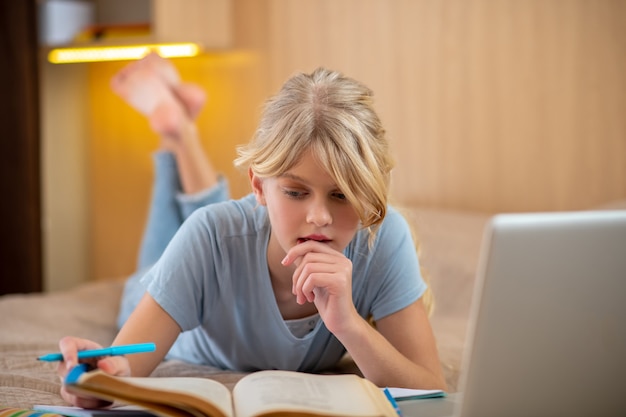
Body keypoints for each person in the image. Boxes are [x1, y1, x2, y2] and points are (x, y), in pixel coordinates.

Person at [57, 53, 447, 408]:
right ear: (259, 187)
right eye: (295, 192)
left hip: (221, 239)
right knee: (209, 227)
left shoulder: (382, 236)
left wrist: (348, 324)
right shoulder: (208, 236)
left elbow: (431, 387)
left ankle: (179, 125)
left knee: (220, 227)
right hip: (158, 277)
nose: (319, 217)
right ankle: (178, 132)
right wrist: (90, 381)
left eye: (342, 196)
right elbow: (113, 378)